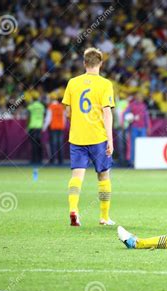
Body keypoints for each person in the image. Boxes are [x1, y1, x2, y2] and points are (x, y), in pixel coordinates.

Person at [62, 47, 115, 227]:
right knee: (104, 176)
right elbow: (107, 113)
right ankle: (104, 217)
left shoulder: (72, 83)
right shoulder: (105, 84)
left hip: (77, 137)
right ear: (100, 64)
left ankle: (73, 209)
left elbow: (68, 111)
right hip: (98, 137)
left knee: (77, 175)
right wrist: (110, 139)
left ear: (84, 63)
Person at [124, 91, 150, 166]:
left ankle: (142, 161)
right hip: (134, 128)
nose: (140, 98)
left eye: (141, 97)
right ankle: (132, 162)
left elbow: (146, 117)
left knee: (143, 145)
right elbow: (125, 114)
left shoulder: (144, 106)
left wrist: (148, 127)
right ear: (136, 97)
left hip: (142, 128)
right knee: (133, 145)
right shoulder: (131, 105)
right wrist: (130, 119)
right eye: (138, 97)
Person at [42, 92, 66, 165]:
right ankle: (61, 160)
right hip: (60, 127)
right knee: (60, 144)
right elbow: (64, 118)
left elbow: (48, 119)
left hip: (53, 127)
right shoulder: (61, 107)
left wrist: (44, 128)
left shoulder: (50, 107)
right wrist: (63, 126)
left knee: (53, 144)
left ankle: (52, 160)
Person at [27, 97, 45, 164]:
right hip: (39, 127)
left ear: (33, 100)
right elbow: (43, 116)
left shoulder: (31, 106)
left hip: (32, 126)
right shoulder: (42, 106)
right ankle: (40, 159)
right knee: (39, 143)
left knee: (33, 144)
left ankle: (34, 160)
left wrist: (27, 126)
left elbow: (28, 117)